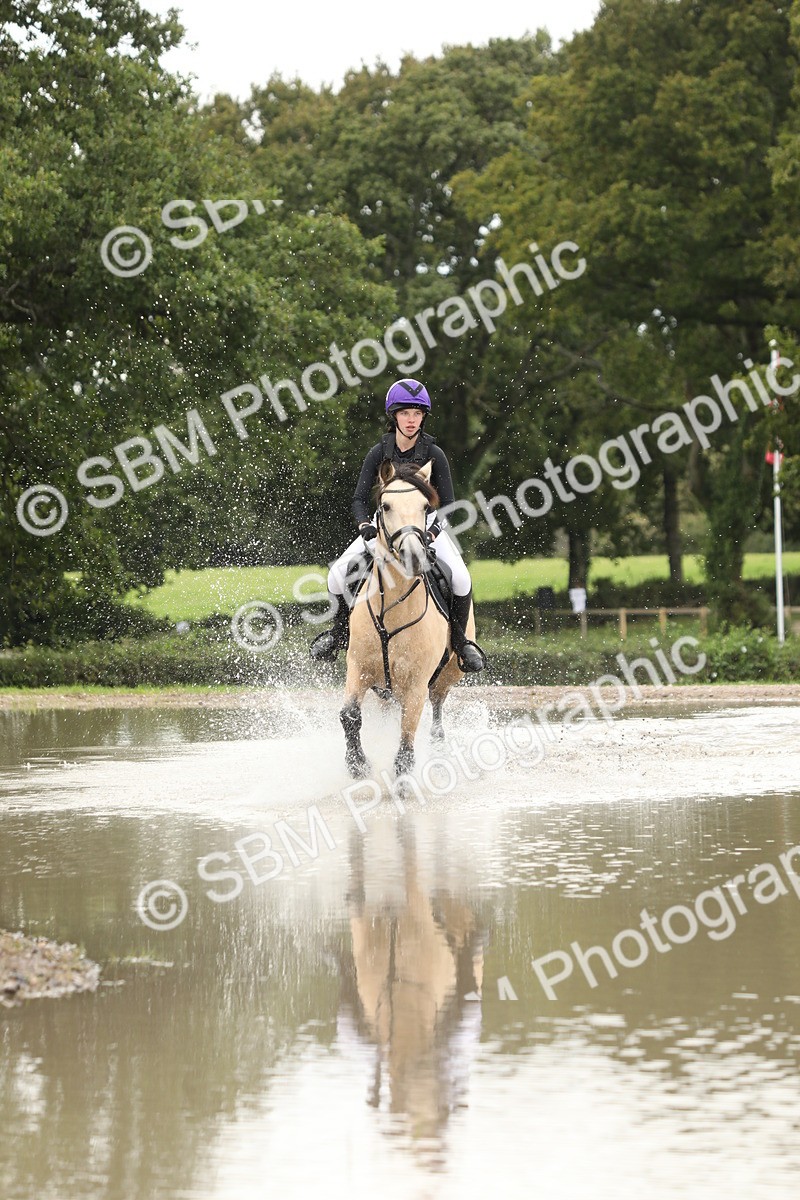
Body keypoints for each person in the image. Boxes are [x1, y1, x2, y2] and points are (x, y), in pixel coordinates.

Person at [309, 378, 486, 672]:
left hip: (426, 527)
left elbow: (450, 505)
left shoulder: (435, 454)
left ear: (423, 417)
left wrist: (431, 533)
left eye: (417, 414)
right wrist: (365, 524)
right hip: (384, 527)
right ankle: (338, 636)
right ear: (395, 415)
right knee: (337, 576)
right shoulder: (379, 452)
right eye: (405, 413)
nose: (412, 420)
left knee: (461, 579)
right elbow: (358, 499)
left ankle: (460, 643)